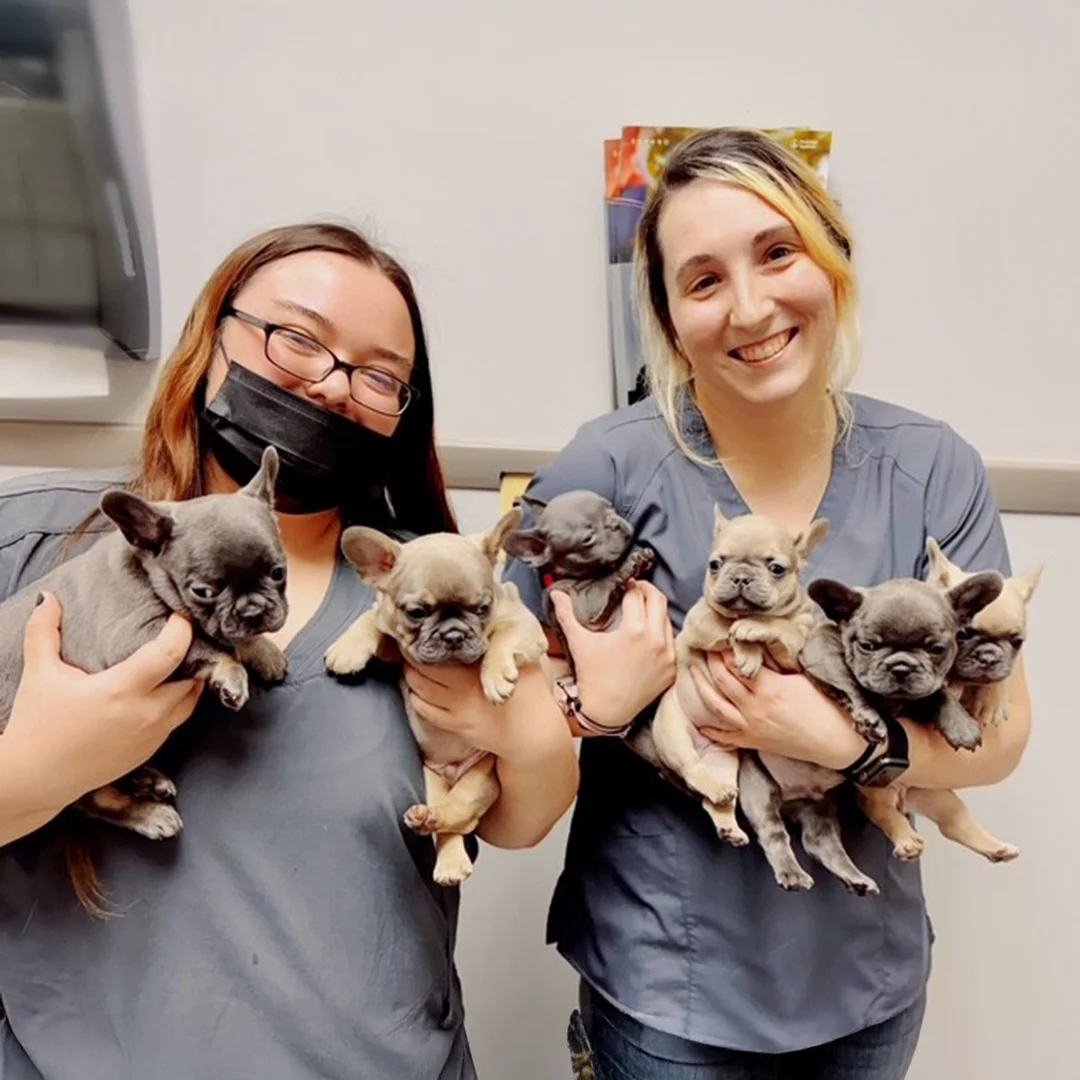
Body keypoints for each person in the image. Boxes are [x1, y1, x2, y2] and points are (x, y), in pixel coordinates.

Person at [504, 128, 1032, 1079]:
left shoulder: (932, 467)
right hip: (669, 984)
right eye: (702, 281)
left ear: (834, 263)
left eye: (779, 253)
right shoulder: (609, 467)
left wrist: (844, 742)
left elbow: (1001, 736)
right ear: (667, 321)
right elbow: (500, 698)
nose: (750, 307)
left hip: (868, 981)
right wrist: (602, 705)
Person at [0, 222, 578, 1079]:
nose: (334, 387)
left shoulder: (418, 587)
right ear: (214, 336)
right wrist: (38, 771)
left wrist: (540, 738)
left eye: (380, 375)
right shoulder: (38, 538)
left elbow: (518, 819)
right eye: (296, 338)